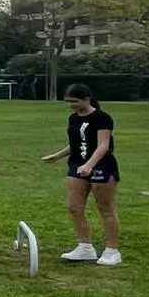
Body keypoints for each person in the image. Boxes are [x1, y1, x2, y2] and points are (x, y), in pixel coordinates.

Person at [41, 83, 123, 266]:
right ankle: (85, 247)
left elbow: (103, 145)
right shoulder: (74, 118)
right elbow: (77, 144)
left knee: (105, 208)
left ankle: (112, 250)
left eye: (74, 101)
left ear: (87, 99)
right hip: (78, 166)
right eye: (68, 102)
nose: (71, 105)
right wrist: (57, 156)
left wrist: (89, 165)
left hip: (101, 165)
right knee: (74, 206)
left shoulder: (102, 118)